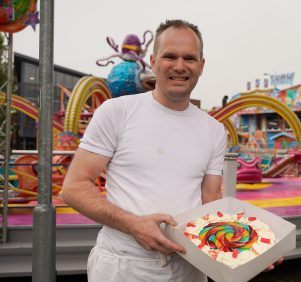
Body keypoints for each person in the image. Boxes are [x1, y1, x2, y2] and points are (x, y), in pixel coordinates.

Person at [62, 19, 226, 281]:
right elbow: (73, 188)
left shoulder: (215, 130)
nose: (180, 66)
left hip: (189, 267)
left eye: (190, 58)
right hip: (124, 267)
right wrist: (134, 225)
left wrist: (249, 250)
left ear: (202, 65)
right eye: (169, 56)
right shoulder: (117, 112)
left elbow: (211, 201)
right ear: (153, 60)